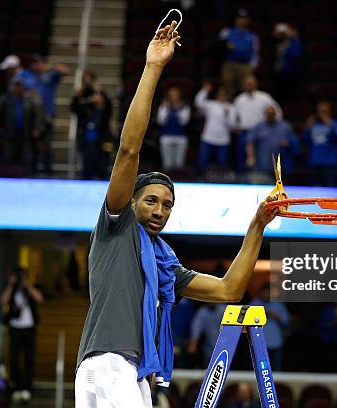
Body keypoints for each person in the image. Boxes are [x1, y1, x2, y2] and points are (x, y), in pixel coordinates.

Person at [74, 21, 278, 408]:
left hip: (133, 371)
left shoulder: (164, 262)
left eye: (167, 205)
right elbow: (129, 152)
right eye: (151, 200)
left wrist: (256, 226)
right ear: (132, 201)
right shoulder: (117, 225)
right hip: (108, 363)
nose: (159, 210)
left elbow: (228, 290)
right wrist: (153, 67)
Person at [0, 267, 43, 403]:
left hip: (29, 327)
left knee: (28, 359)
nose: (19, 279)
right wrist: (11, 284)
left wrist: (27, 285)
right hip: (14, 327)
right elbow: (3, 301)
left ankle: (27, 388)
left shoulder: (29, 288)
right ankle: (16, 387)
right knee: (13, 358)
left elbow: (39, 298)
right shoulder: (12, 290)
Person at [26, 55, 70, 173]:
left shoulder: (49, 75)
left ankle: (47, 169)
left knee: (46, 142)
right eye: (34, 63)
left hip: (47, 113)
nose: (36, 66)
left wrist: (48, 67)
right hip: (33, 114)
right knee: (32, 142)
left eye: (38, 63)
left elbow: (65, 70)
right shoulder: (29, 76)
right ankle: (32, 169)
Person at [0, 78, 42, 176]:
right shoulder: (5, 99)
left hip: (25, 133)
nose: (18, 89)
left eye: (20, 86)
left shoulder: (28, 100)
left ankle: (26, 177)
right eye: (16, 86)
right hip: (9, 133)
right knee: (8, 157)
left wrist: (37, 128)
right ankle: (9, 177)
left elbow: (36, 115)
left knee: (26, 157)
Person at [70, 71, 114, 179]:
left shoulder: (104, 112)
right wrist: (78, 93)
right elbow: (74, 107)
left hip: (101, 143)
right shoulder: (86, 110)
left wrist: (100, 91)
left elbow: (108, 105)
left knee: (103, 170)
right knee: (87, 172)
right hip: (87, 144)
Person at [233, 75, 282, 172]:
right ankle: (242, 180)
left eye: (251, 83)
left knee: (259, 157)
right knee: (242, 157)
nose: (249, 85)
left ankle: (258, 180)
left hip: (260, 133)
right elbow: (233, 116)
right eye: (247, 83)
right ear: (244, 85)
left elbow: (277, 111)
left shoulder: (264, 97)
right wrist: (235, 126)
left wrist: (274, 127)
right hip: (243, 132)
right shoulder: (239, 99)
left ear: (256, 84)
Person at [245, 105, 300, 179]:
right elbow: (249, 142)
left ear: (275, 114)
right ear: (265, 114)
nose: (270, 116)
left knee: (282, 185)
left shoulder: (285, 126)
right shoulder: (259, 126)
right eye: (268, 114)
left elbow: (295, 142)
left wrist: (288, 142)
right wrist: (251, 157)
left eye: (272, 114)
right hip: (264, 162)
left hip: (282, 163)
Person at [194, 82, 236, 173]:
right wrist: (205, 90)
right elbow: (198, 103)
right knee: (202, 163)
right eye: (220, 93)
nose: (222, 95)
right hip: (208, 138)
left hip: (223, 141)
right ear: (217, 94)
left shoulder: (231, 108)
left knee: (222, 165)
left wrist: (227, 114)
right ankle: (200, 180)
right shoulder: (211, 105)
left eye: (224, 94)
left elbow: (232, 125)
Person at [302, 101, 337, 187]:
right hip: (314, 161)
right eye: (320, 111)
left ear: (329, 111)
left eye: (325, 111)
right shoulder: (313, 124)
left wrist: (329, 124)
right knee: (314, 189)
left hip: (329, 162)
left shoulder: (335, 124)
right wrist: (307, 127)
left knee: (330, 189)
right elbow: (305, 140)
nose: (322, 114)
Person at [219, 9, 260, 97]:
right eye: (240, 18)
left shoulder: (253, 36)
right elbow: (216, 47)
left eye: (244, 18)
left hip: (245, 66)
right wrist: (224, 46)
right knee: (228, 88)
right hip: (229, 64)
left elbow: (256, 53)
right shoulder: (226, 32)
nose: (242, 21)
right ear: (236, 19)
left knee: (246, 89)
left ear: (248, 21)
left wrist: (252, 67)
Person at [249, 284, 290, 371]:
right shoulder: (254, 304)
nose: (267, 295)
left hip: (276, 342)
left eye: (269, 293)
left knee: (277, 370)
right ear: (260, 294)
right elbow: (248, 322)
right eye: (265, 293)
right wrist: (263, 314)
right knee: (260, 370)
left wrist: (276, 316)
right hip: (259, 343)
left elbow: (286, 321)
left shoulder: (278, 305)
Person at [156, 86, 191, 170]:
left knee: (179, 164)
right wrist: (166, 108)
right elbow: (160, 121)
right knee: (167, 164)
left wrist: (179, 109)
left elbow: (184, 122)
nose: (174, 97)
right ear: (169, 96)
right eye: (172, 95)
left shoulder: (185, 107)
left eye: (175, 95)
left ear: (179, 96)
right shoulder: (164, 106)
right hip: (166, 138)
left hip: (181, 138)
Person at [273, 22, 303, 102]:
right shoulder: (279, 42)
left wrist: (293, 39)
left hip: (291, 74)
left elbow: (296, 55)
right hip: (279, 74)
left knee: (290, 99)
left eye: (289, 31)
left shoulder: (295, 42)